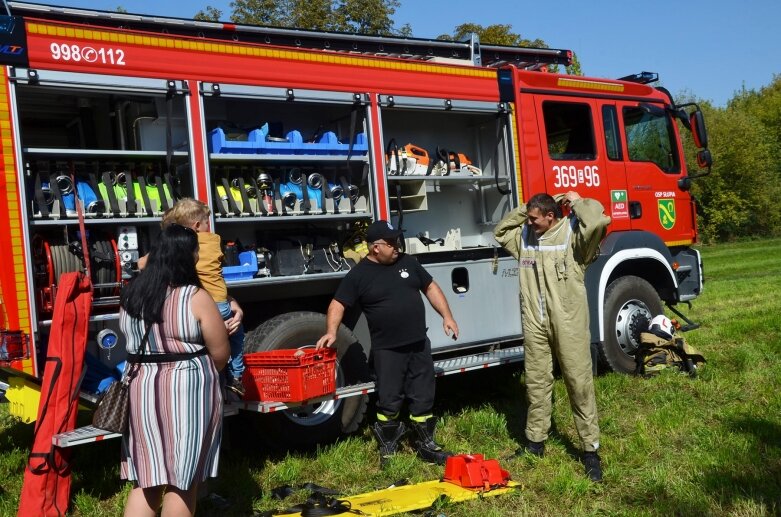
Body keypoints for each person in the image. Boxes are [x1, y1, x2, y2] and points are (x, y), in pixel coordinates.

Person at [316, 220, 459, 467]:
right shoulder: (359, 275)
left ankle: (426, 444)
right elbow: (338, 304)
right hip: (388, 349)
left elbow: (431, 287)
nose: (397, 246)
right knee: (389, 399)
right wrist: (331, 332)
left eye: (397, 241)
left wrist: (447, 316)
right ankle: (389, 446)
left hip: (418, 344)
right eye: (391, 243)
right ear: (375, 248)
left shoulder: (408, 263)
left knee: (423, 395)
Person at [494, 191, 610, 482]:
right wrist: (526, 209)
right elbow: (500, 231)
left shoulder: (574, 236)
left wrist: (577, 200)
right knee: (536, 382)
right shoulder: (525, 238)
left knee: (578, 382)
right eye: (529, 219)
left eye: (536, 218)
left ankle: (589, 450)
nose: (530, 223)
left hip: (568, 323)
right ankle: (535, 442)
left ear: (551, 216)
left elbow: (596, 222)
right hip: (535, 322)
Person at [119, 224, 229, 516]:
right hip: (187, 390)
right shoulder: (194, 297)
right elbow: (220, 353)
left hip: (141, 389)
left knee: (147, 478)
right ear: (188, 255)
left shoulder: (131, 296)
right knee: (183, 479)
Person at [162, 198, 247, 398]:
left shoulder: (179, 249)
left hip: (201, 306)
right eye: (207, 221)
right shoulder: (214, 240)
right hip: (221, 304)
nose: (210, 226)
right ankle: (236, 375)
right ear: (198, 225)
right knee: (237, 334)